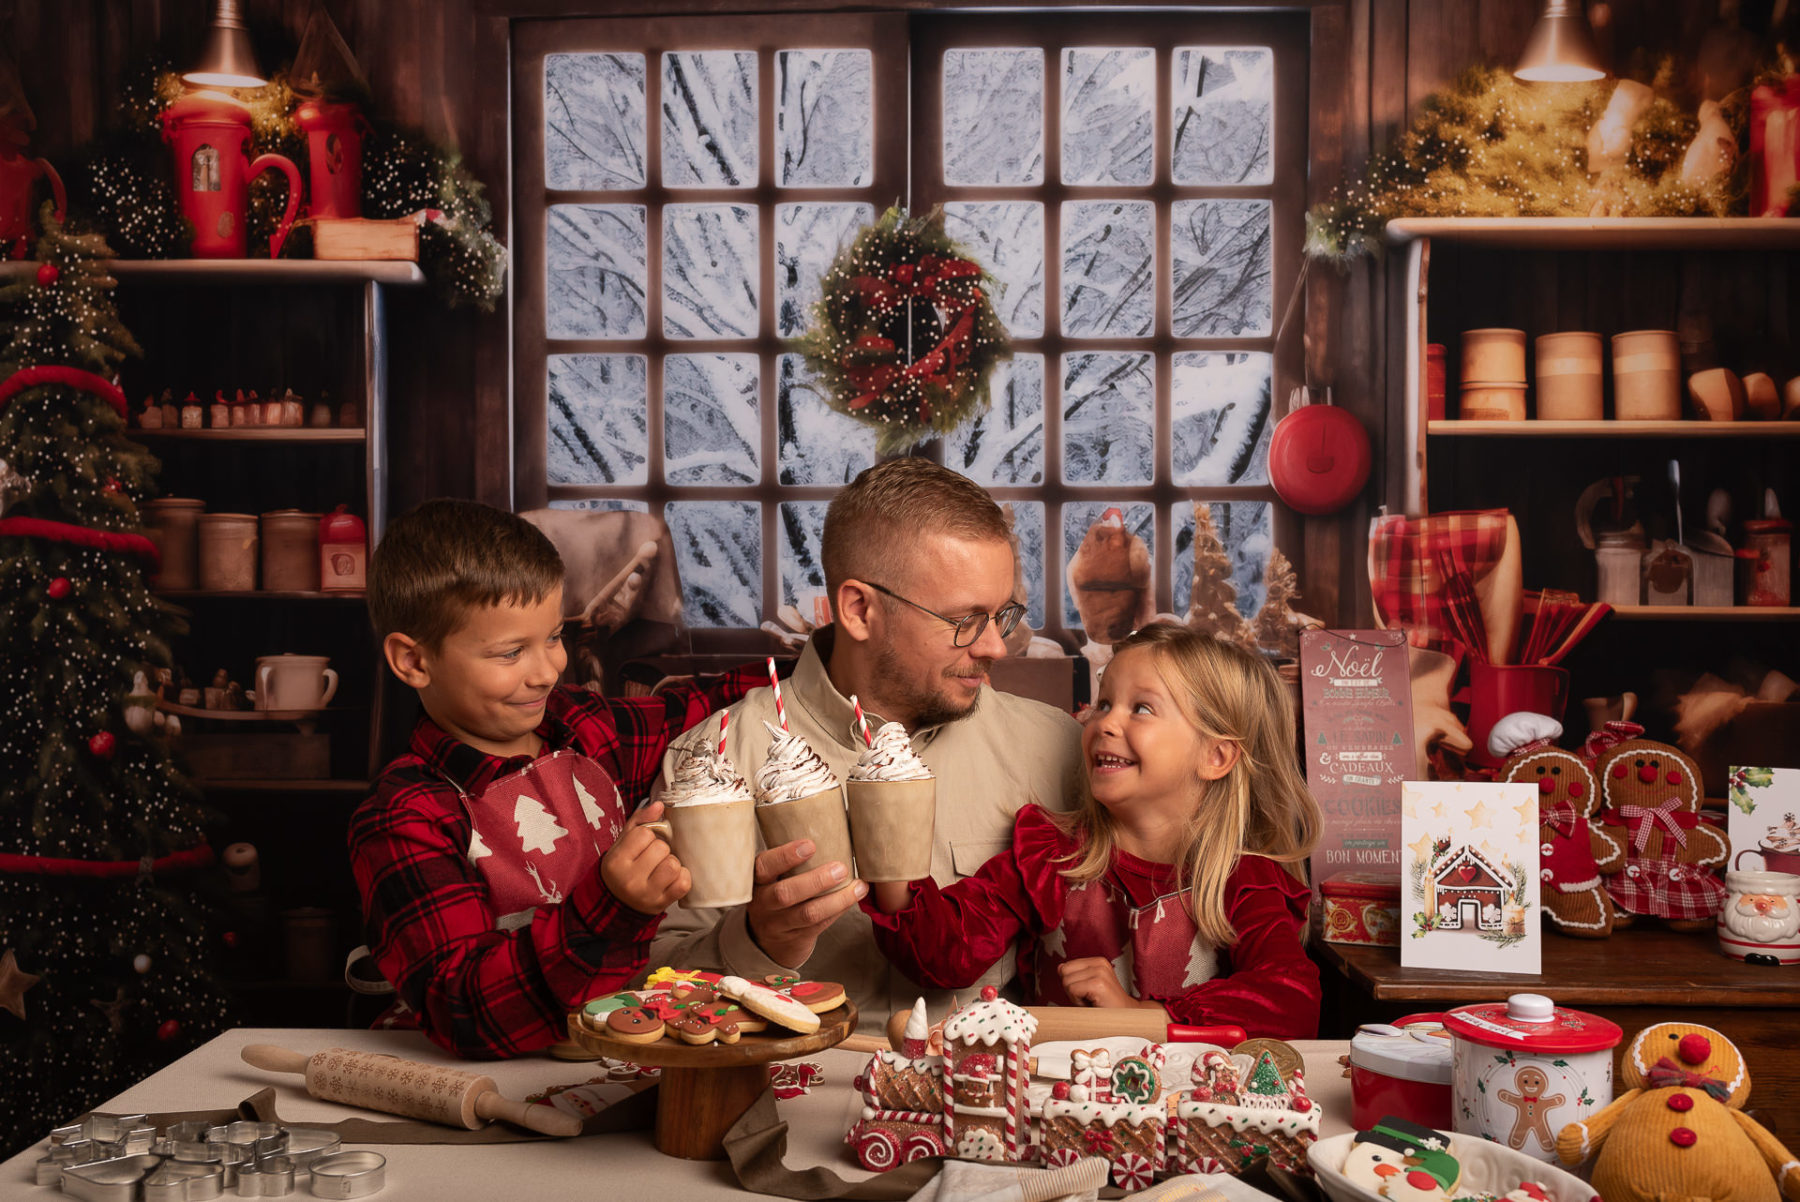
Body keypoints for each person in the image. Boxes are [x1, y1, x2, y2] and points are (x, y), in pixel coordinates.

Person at [649, 459, 1084, 1029]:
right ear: (858, 610)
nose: (997, 648)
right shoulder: (712, 758)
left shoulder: (1057, 748)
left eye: (1003, 614)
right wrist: (756, 940)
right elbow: (649, 992)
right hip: (791, 1101)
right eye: (964, 620)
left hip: (978, 1099)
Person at [348, 498, 766, 1058]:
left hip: (617, 1058)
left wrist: (816, 665)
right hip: (486, 1086)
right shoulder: (407, 815)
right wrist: (613, 905)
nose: (548, 670)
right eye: (510, 652)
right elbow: (466, 1012)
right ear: (414, 662)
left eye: (552, 637)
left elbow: (695, 709)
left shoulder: (580, 725)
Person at [865, 622, 1323, 1040]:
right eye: (1104, 703)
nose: (1105, 722)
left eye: (1140, 708)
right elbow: (945, 954)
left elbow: (1290, 1002)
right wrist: (885, 854)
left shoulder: (1241, 879)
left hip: (1181, 1110)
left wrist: (1134, 1014)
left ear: (1216, 757)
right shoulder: (1053, 855)